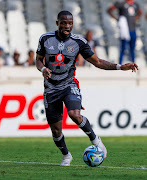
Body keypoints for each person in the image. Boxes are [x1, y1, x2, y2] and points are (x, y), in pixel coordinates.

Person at [36, 10, 138, 166]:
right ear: (57, 23)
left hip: (69, 84)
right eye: (63, 22)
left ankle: (96, 141)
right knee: (56, 131)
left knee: (74, 114)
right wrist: (43, 69)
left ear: (72, 25)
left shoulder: (79, 42)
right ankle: (66, 156)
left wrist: (119, 67)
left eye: (70, 23)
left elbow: (97, 62)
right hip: (50, 88)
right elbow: (38, 60)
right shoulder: (45, 39)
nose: (67, 26)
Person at [107, 0, 142, 64]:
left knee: (132, 48)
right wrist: (117, 19)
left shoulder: (135, 4)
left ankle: (133, 63)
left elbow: (140, 12)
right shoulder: (121, 3)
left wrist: (136, 18)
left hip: (133, 29)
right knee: (123, 48)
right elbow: (109, 10)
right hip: (124, 30)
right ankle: (120, 63)